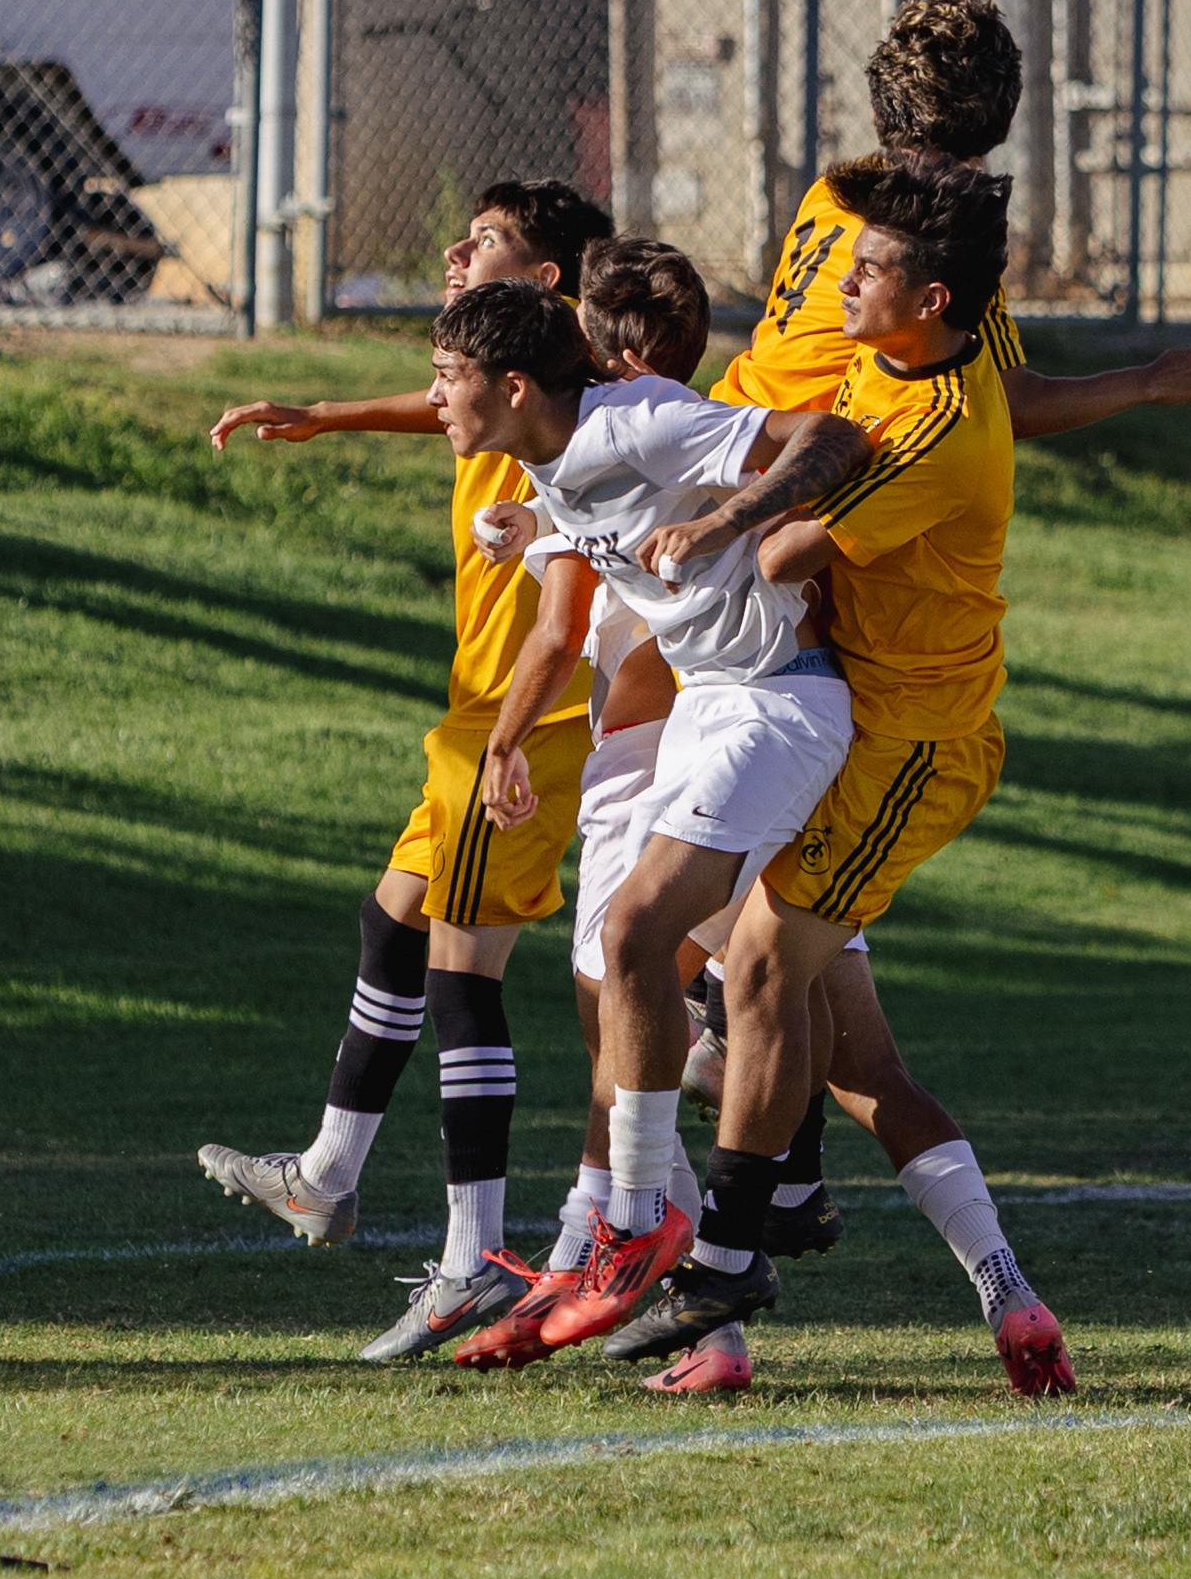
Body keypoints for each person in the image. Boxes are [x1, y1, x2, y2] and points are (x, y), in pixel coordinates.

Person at [590, 162, 1041, 1387]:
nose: (846, 277)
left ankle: (728, 1253)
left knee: (752, 969)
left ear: (931, 297)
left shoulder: (937, 430)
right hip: (840, 722)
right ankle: (983, 1286)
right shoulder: (901, 350)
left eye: (871, 268)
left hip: (906, 745)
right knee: (830, 1038)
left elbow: (791, 538)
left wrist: (711, 520)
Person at [190, 177, 617, 1353]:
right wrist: (324, 415)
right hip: (479, 718)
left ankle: (475, 1258)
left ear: (544, 287)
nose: (448, 248)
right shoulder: (493, 386)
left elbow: (578, 584)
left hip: (525, 727)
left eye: (482, 241)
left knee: (464, 972)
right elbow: (434, 405)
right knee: (393, 925)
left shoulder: (569, 410)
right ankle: (328, 1174)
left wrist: (519, 736)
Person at [432, 278, 870, 1366]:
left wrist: (727, 515)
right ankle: (703, 1238)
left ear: (515, 385)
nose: (436, 398)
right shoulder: (549, 454)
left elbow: (835, 438)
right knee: (696, 973)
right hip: (710, 711)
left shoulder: (642, 415)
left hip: (778, 700)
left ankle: (645, 1223)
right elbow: (586, 516)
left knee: (639, 939)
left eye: (450, 379)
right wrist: (530, 528)